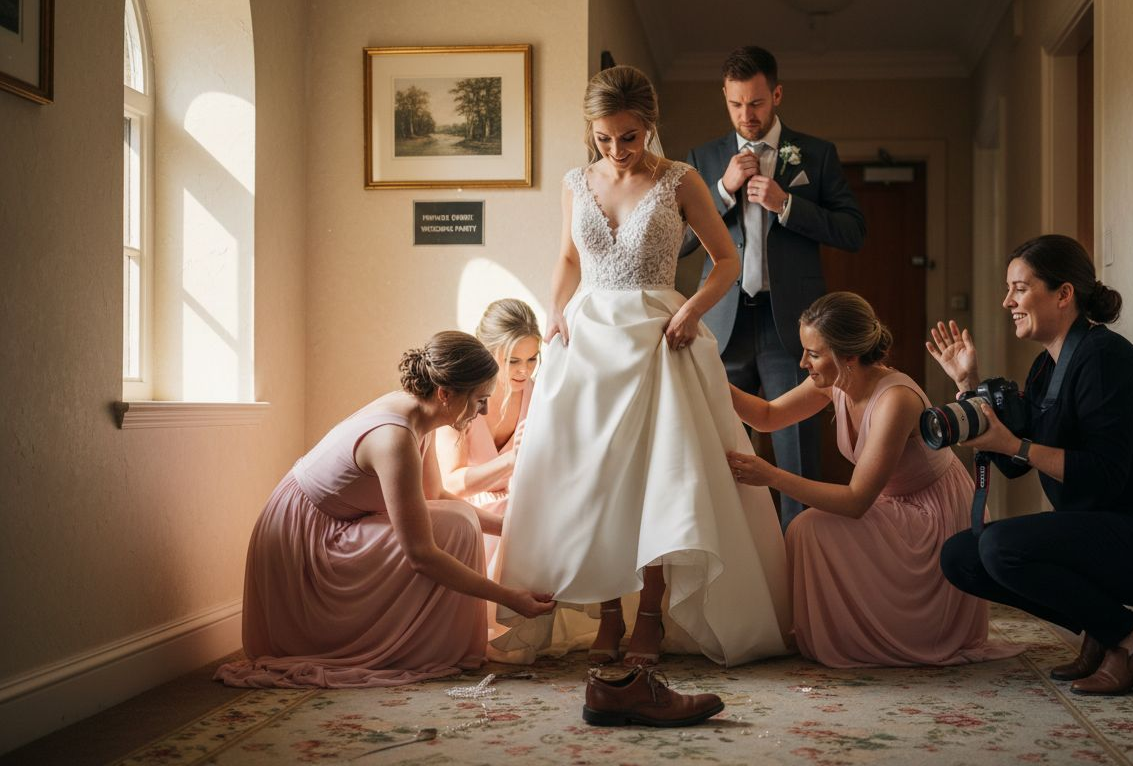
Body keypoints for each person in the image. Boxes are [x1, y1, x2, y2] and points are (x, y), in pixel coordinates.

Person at [493, 65, 790, 669]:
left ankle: (650, 614)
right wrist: (554, 311)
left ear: (649, 128)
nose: (617, 150)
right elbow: (568, 257)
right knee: (592, 482)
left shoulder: (681, 180)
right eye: (605, 138)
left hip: (660, 337)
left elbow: (727, 260)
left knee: (659, 480)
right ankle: (608, 614)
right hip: (587, 342)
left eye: (629, 137)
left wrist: (692, 314)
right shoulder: (576, 182)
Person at [930, 234, 1133, 695]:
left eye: (1020, 288)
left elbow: (1103, 473)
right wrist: (969, 385)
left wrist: (1015, 445)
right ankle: (1104, 629)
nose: (1007, 301)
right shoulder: (1045, 367)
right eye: (1008, 289)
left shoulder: (1103, 359)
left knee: (1001, 546)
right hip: (1105, 528)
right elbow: (1018, 461)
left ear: (1063, 294)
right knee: (961, 556)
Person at [214, 331, 555, 688]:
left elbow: (434, 492)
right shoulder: (394, 437)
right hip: (302, 546)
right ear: (445, 393)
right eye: (480, 400)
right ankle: (415, 646)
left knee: (460, 518)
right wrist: (508, 597)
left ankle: (433, 644)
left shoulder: (420, 411)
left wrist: (513, 528)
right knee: (455, 527)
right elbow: (420, 554)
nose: (483, 410)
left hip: (332, 524)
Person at [726, 292, 1020, 668]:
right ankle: (828, 629)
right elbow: (767, 416)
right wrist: (709, 378)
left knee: (808, 527)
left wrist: (771, 476)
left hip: (934, 518)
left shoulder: (896, 399)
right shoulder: (834, 381)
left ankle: (886, 630)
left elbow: (855, 501)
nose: (803, 363)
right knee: (807, 528)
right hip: (892, 504)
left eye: (813, 354)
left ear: (848, 356)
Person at [682, 45, 866, 532]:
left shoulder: (817, 155)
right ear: (724, 97)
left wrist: (789, 205)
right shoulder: (702, 160)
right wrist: (720, 192)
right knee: (721, 456)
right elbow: (676, 244)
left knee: (797, 458)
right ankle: (738, 583)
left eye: (758, 103)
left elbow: (853, 230)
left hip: (794, 331)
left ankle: (801, 581)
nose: (747, 115)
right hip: (724, 326)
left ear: (777, 94)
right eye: (736, 104)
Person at [435, 298, 540, 572]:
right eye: (513, 360)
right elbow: (452, 484)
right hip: (467, 509)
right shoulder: (461, 396)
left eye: (532, 359)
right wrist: (512, 460)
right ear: (488, 352)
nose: (524, 371)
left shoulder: (539, 395)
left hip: (520, 504)